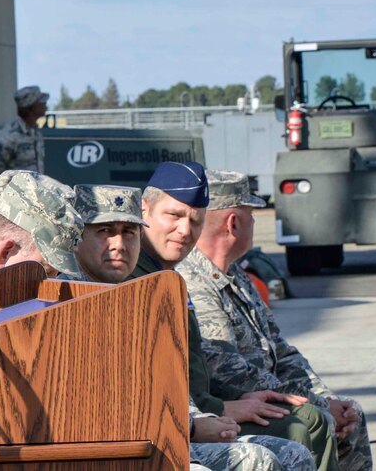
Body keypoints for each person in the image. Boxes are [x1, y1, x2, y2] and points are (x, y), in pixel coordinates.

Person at [71, 184, 314, 471]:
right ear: (78, 237)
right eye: (104, 232)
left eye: (129, 232)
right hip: (114, 446)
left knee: (292, 453)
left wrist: (202, 419)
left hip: (169, 430)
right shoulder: (69, 301)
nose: (119, 244)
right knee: (256, 459)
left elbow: (169, 379)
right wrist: (194, 427)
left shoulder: (143, 292)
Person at [133, 162, 337, 471]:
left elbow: (276, 350)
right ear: (144, 210)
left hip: (197, 414)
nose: (185, 230)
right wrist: (218, 410)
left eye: (195, 220)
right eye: (173, 215)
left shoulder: (169, 276)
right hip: (168, 427)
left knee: (307, 423)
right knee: (295, 432)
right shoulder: (136, 280)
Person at [178, 171, 372, 471]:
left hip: (265, 395)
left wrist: (326, 397)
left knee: (351, 415)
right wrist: (319, 406)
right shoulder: (192, 281)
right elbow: (229, 372)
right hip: (228, 403)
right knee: (311, 423)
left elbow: (281, 351)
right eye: (251, 215)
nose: (254, 224)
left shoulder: (238, 276)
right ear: (234, 223)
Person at [0, 85, 48, 198]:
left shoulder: (35, 132)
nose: (45, 103)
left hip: (34, 204)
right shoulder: (8, 136)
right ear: (31, 106)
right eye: (40, 101)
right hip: (13, 207)